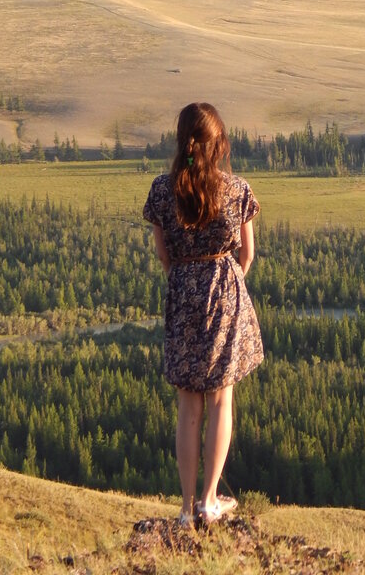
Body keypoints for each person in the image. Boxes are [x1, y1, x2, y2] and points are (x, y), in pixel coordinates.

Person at [143, 102, 263, 526]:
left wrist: (185, 278)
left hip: (182, 293)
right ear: (218, 145)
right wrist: (226, 279)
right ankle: (210, 501)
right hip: (223, 292)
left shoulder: (161, 191)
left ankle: (185, 506)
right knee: (220, 398)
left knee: (188, 406)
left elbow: (163, 253)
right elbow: (247, 254)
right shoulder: (237, 190)